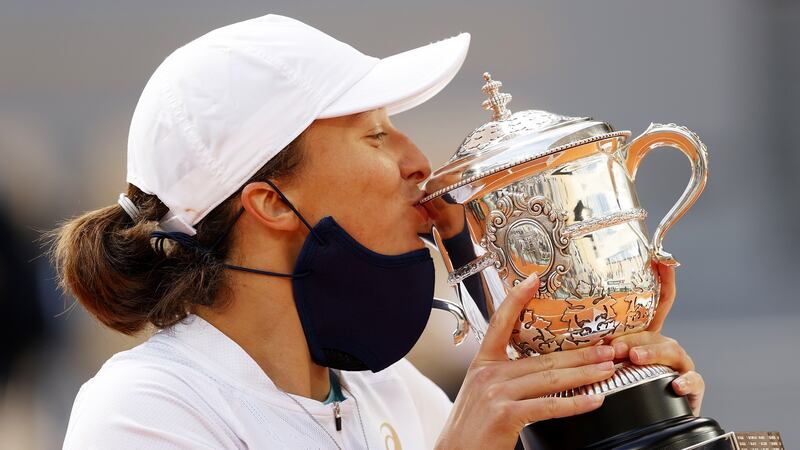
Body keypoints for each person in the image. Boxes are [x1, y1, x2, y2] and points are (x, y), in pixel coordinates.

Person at [51, 14, 705, 449]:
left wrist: (608, 410)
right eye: (374, 134)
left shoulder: (398, 392)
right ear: (271, 201)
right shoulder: (141, 411)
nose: (419, 162)